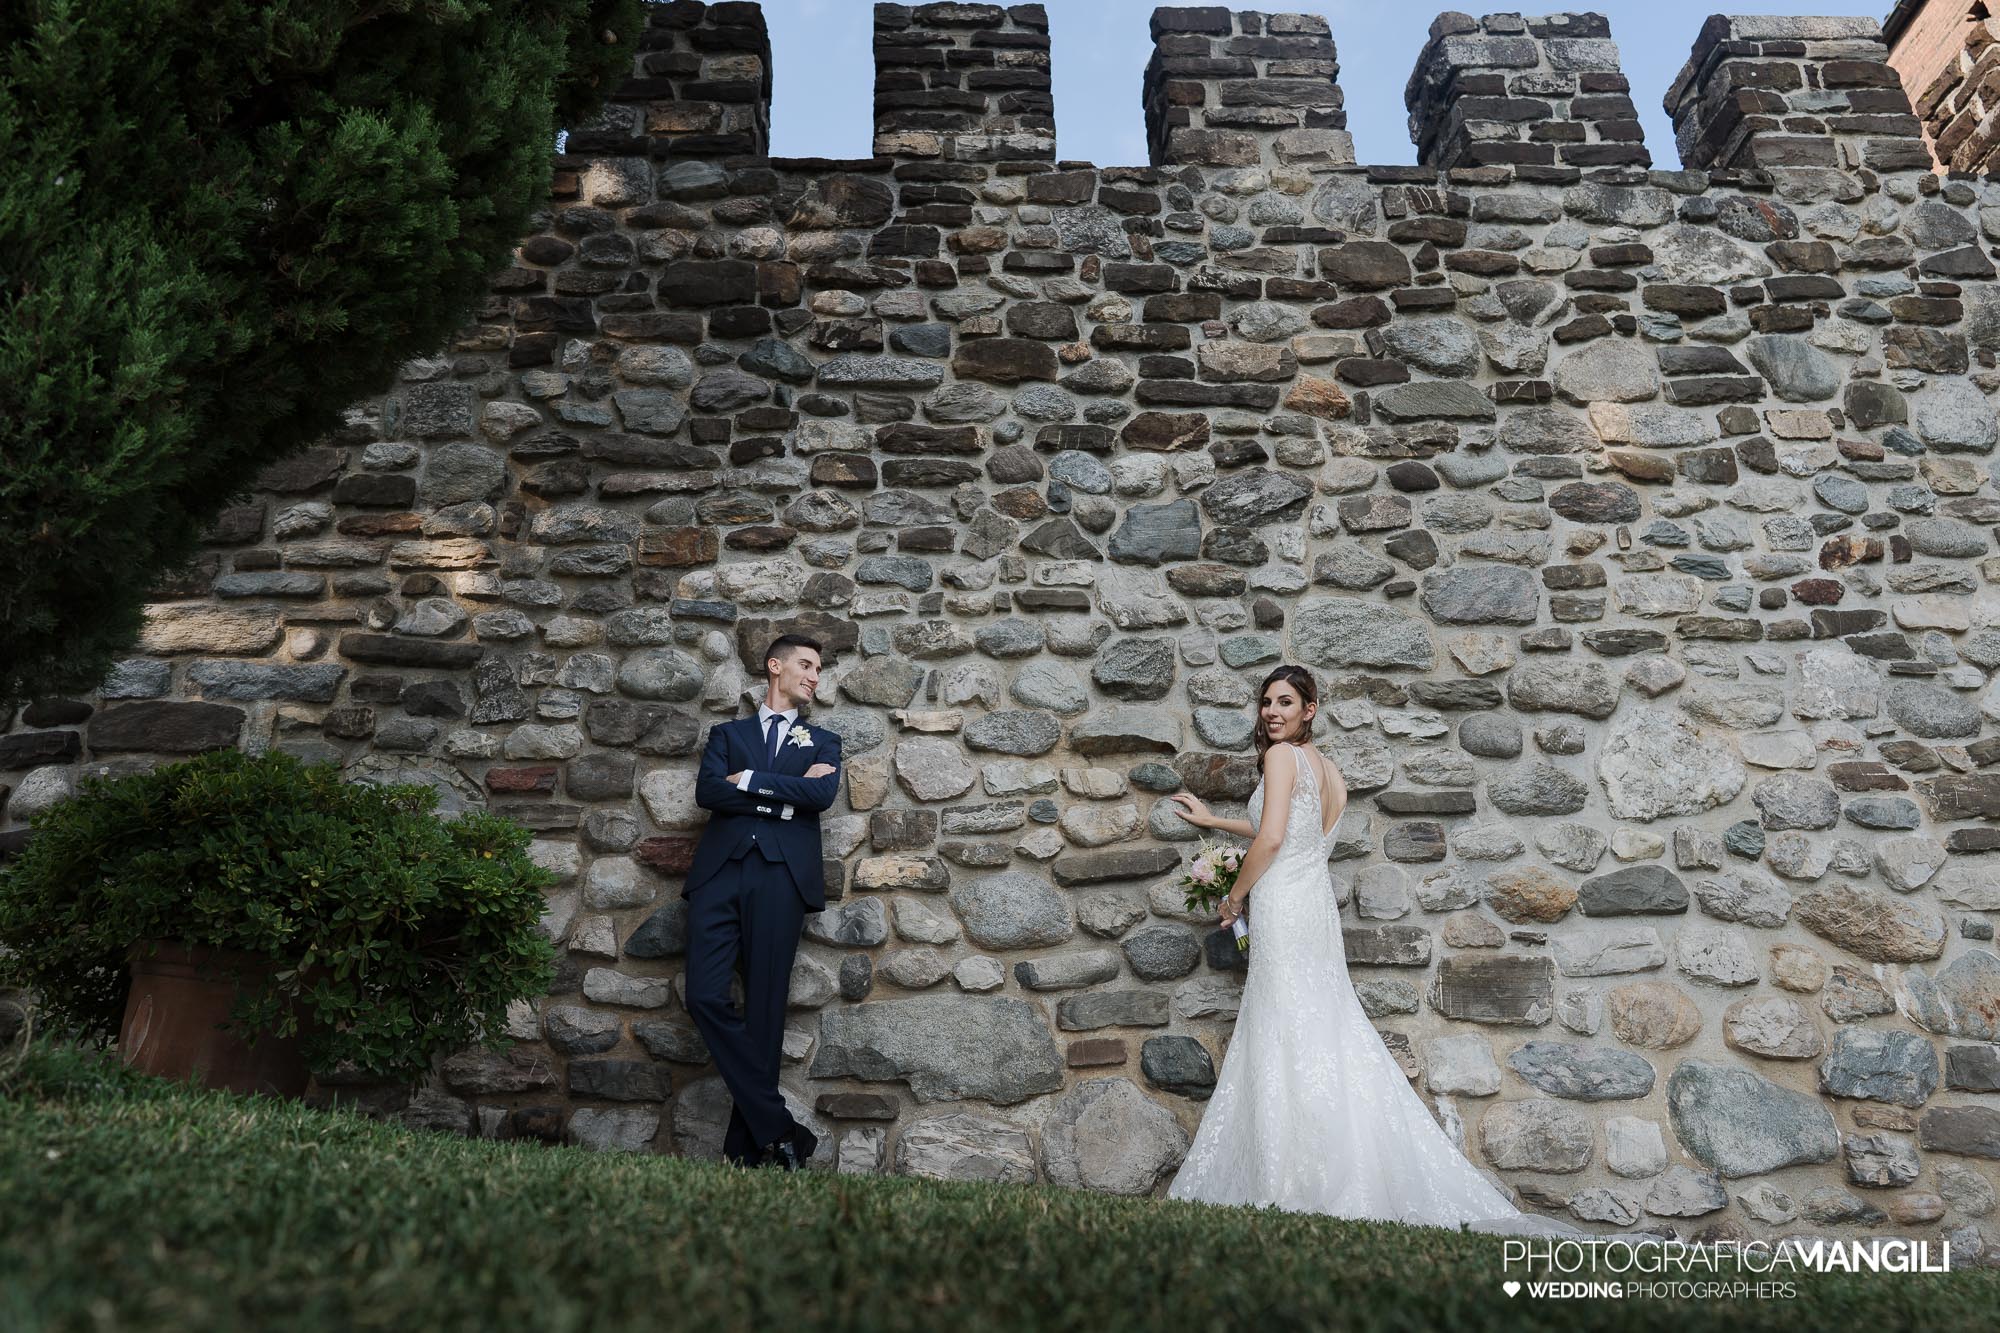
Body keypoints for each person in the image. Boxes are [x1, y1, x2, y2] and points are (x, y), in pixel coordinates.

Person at [1162, 663, 1588, 1237]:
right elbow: (1291, 833)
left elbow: (1273, 838)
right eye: (1266, 702)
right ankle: (1340, 1160)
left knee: (1287, 1025)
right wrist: (1215, 821)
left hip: (1286, 907)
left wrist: (1235, 897)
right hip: (1312, 908)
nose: (1272, 711)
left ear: (1310, 709)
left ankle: (1296, 1174)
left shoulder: (1282, 758)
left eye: (1285, 702)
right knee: (1322, 1026)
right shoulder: (1329, 769)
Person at [684, 634, 842, 1171]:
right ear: (775, 667)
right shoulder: (727, 734)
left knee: (766, 1013)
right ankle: (780, 1129)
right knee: (703, 996)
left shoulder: (824, 742)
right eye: (806, 664)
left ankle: (749, 1151)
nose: (815, 676)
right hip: (719, 874)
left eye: (819, 668)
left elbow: (820, 797)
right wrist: (784, 796)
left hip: (782, 879)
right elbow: (709, 792)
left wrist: (749, 782)